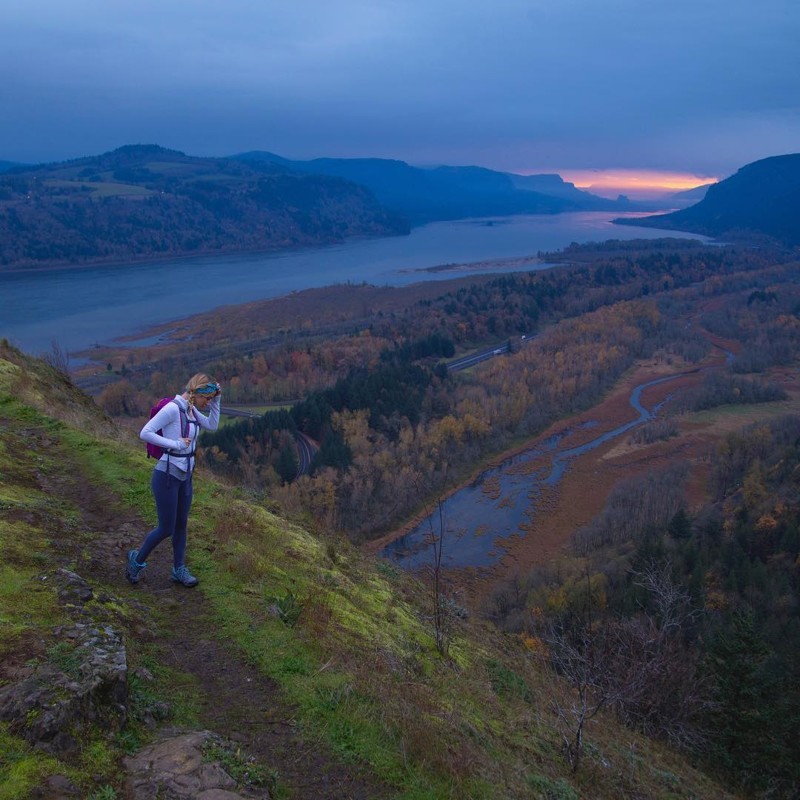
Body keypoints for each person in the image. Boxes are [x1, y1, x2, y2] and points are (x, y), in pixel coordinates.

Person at [126, 373, 222, 587]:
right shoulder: (172, 408)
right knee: (166, 528)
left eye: (209, 400)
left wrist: (217, 400)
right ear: (196, 393)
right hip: (166, 476)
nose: (207, 403)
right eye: (206, 399)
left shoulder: (191, 409)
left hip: (185, 477)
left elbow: (213, 425)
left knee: (181, 525)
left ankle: (179, 569)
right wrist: (175, 444)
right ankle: (136, 560)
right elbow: (145, 432)